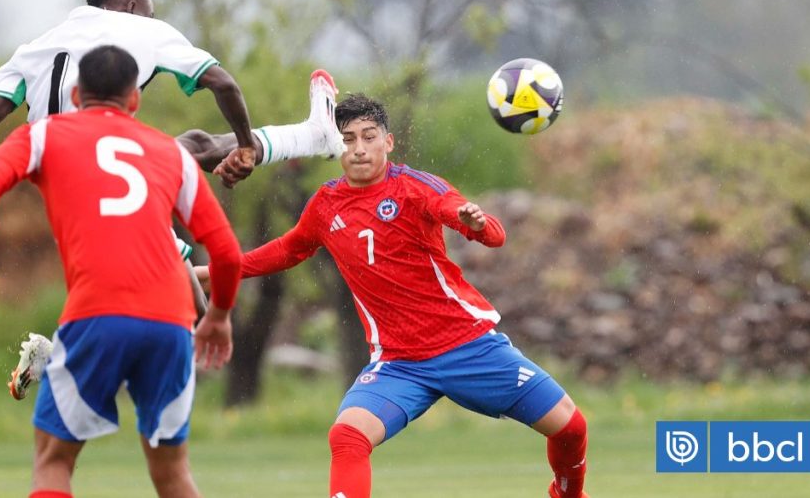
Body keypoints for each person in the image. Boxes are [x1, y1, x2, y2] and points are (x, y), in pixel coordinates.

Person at [196, 93, 589, 498]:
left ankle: (568, 494)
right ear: (335, 147)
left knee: (572, 428)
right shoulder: (326, 205)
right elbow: (287, 249)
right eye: (347, 139)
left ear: (389, 142)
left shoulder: (414, 188)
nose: (359, 148)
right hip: (400, 364)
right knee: (347, 435)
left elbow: (491, 233)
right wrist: (217, 271)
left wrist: (475, 221)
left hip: (468, 347)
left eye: (369, 136)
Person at [0, 45, 241, 498]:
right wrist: (219, 317)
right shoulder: (171, 154)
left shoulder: (46, 135)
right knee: (172, 473)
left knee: (53, 462)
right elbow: (226, 252)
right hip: (170, 324)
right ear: (134, 101)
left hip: (97, 315)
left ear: (74, 92)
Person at [0, 0, 342, 205]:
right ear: (132, 6)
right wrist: (243, 148)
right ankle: (309, 137)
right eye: (151, 13)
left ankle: (314, 135)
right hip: (99, 165)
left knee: (184, 166)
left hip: (55, 182)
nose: (155, 21)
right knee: (190, 160)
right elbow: (224, 83)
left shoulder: (36, 45)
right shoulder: (144, 29)